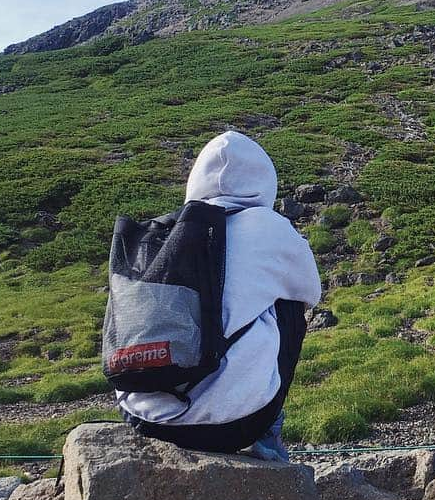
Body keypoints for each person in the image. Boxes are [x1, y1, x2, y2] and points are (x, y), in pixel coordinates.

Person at [117, 130, 322, 460]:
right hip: (232, 426)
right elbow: (311, 293)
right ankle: (269, 434)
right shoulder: (269, 226)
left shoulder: (167, 233)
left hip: (141, 416)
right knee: (290, 306)